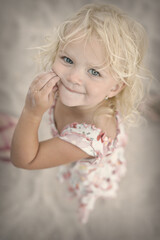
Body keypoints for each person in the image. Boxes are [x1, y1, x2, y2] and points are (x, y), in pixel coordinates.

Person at [11, 3, 149, 223]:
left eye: (94, 72)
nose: (73, 77)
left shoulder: (87, 138)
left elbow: (24, 160)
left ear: (114, 88)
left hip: (91, 169)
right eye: (67, 60)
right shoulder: (72, 89)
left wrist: (31, 113)